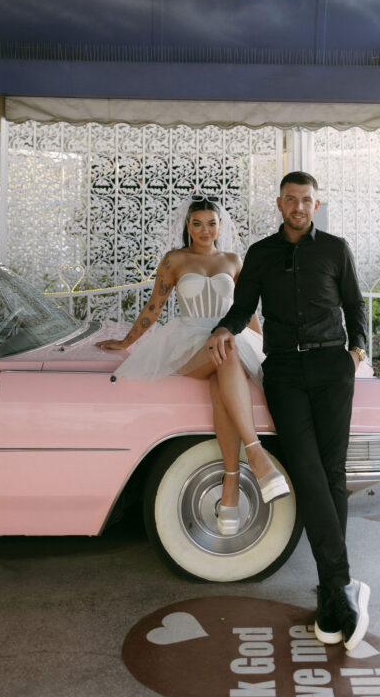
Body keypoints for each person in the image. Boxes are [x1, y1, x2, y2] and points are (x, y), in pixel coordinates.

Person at [210, 172, 370, 651]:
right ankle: (339, 585)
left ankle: (330, 592)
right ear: (279, 203)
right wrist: (223, 328)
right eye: (291, 200)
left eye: (306, 200)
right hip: (283, 371)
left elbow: (354, 303)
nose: (298, 207)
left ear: (316, 204)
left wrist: (357, 348)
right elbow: (242, 308)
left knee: (331, 472)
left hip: (331, 364)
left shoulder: (336, 249)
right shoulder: (260, 254)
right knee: (306, 470)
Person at [95, 196, 289, 536]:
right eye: (197, 223)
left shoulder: (233, 260)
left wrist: (264, 348)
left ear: (220, 225)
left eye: (211, 223)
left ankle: (230, 491)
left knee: (223, 374)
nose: (205, 230)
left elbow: (246, 311)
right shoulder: (174, 260)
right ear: (187, 226)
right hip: (188, 341)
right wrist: (126, 342)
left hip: (229, 337)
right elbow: (154, 307)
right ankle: (256, 455)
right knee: (223, 352)